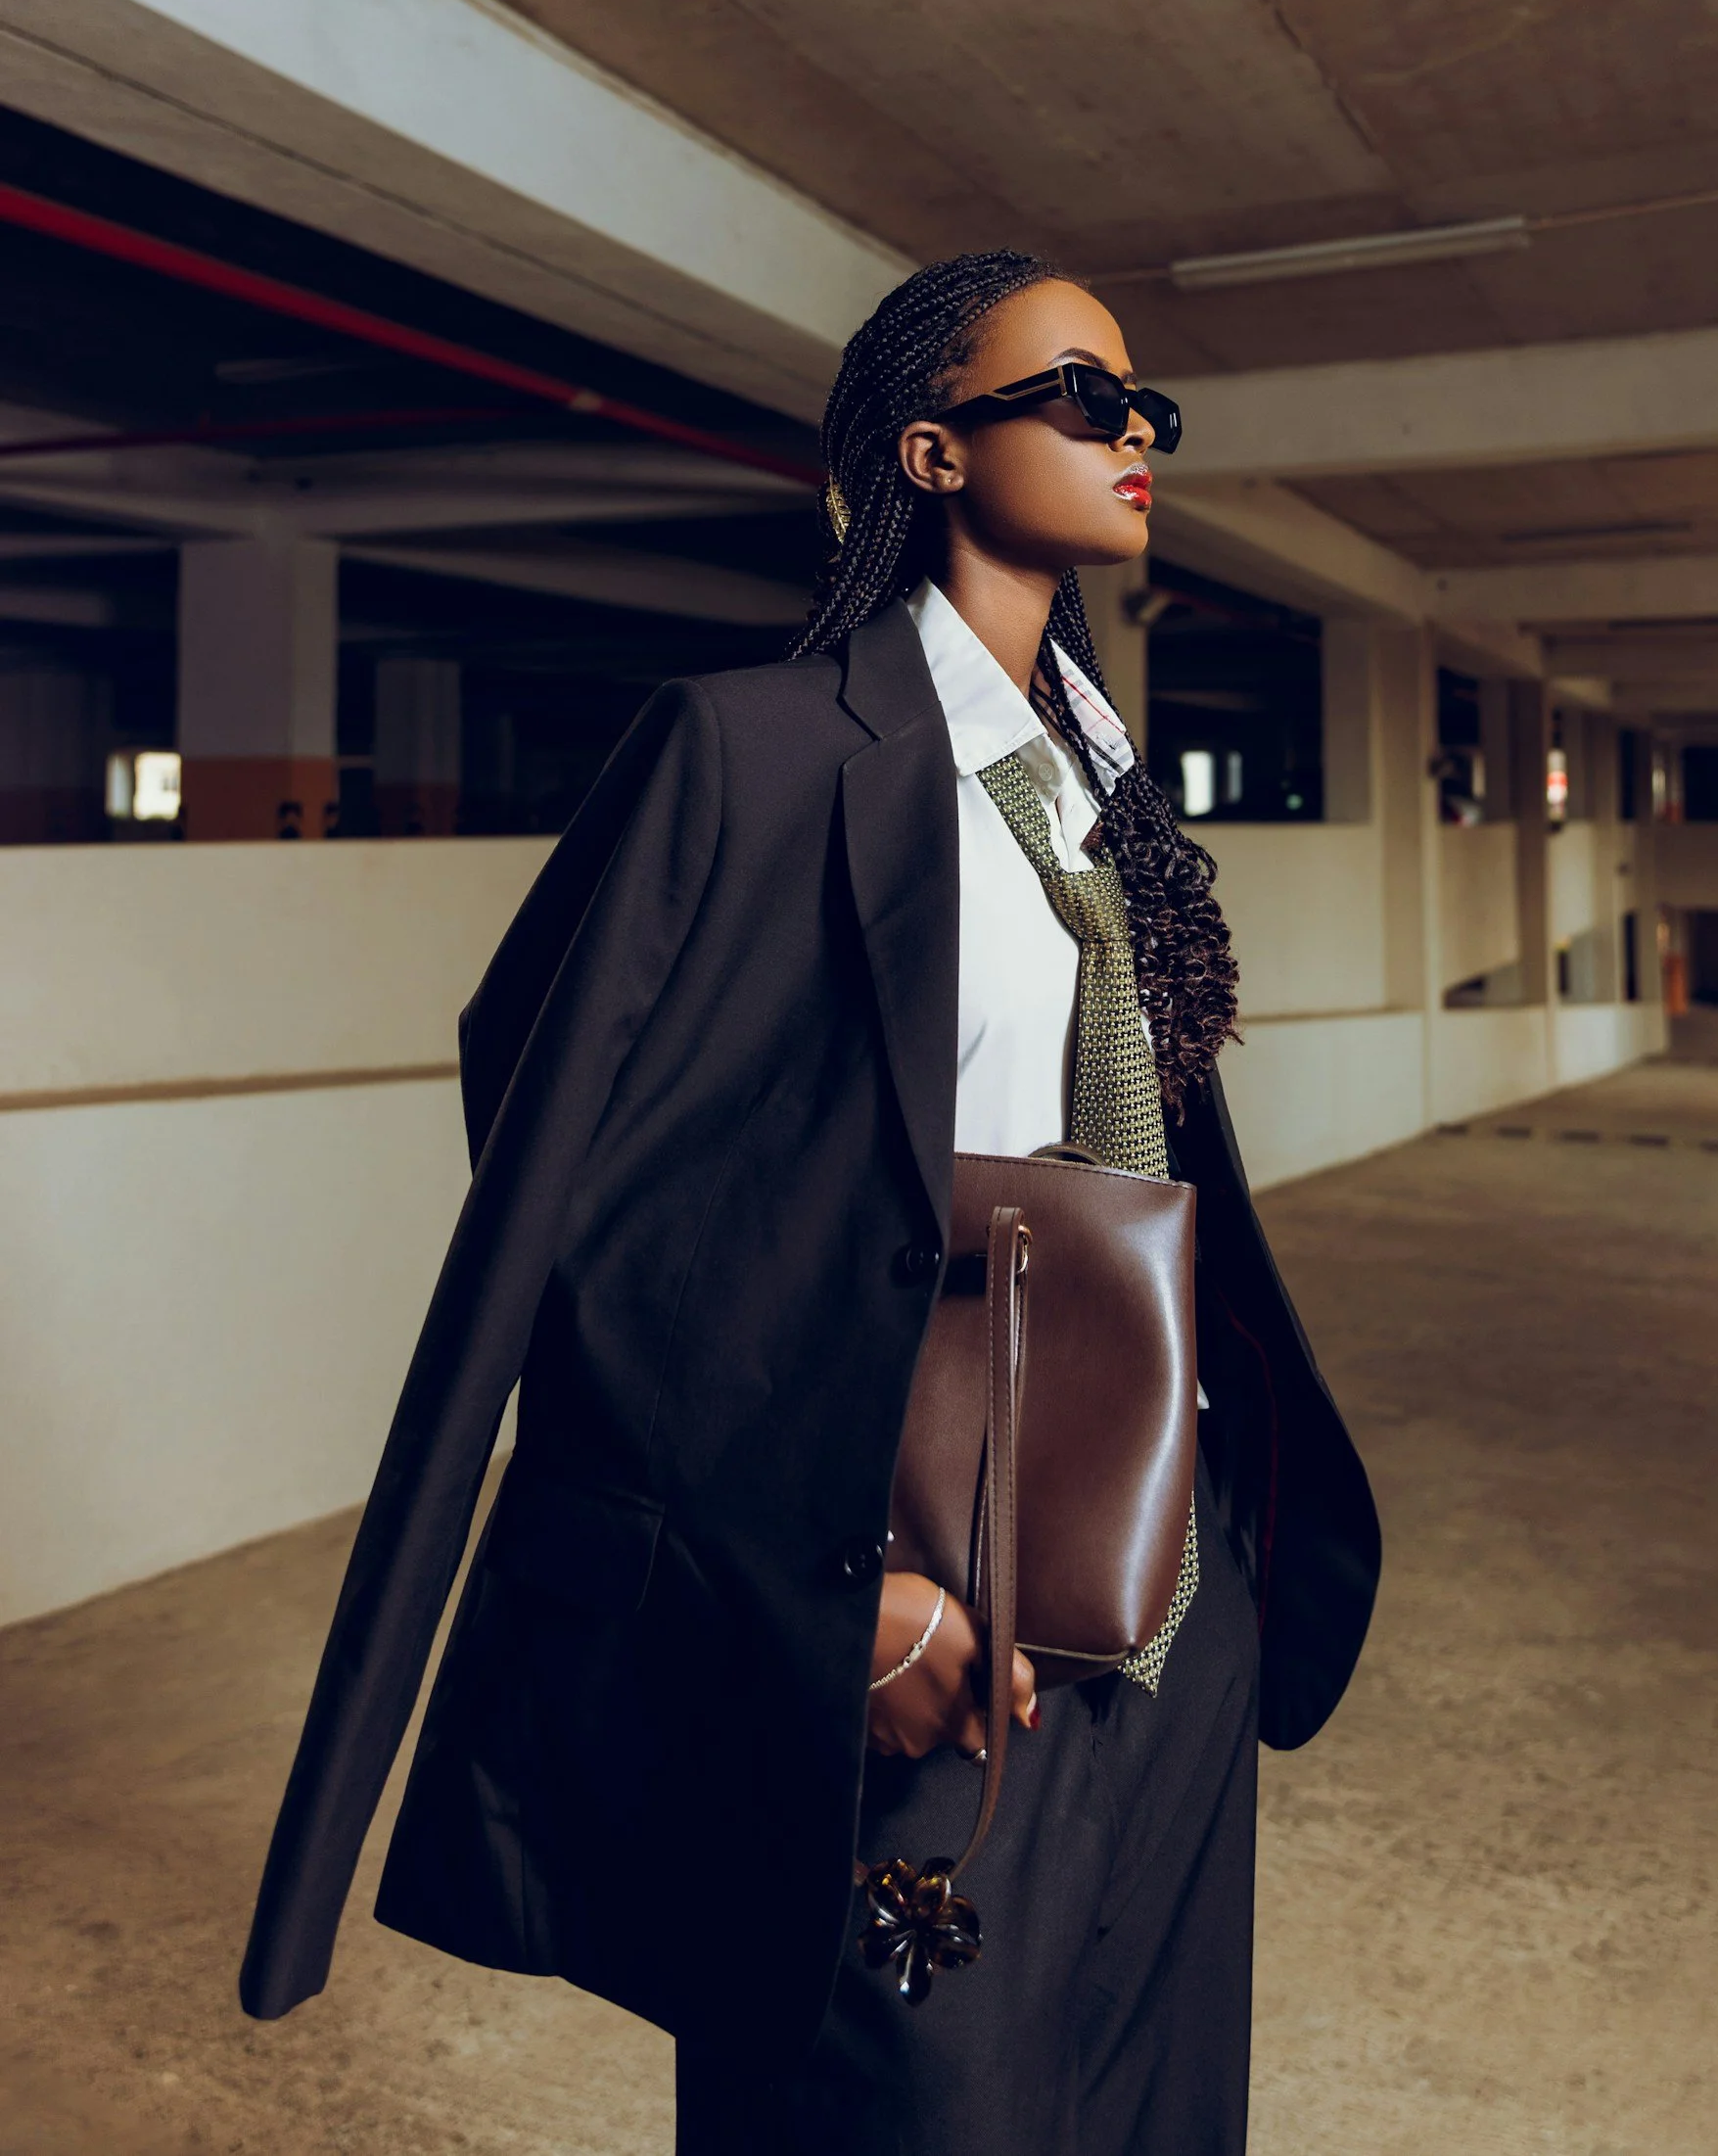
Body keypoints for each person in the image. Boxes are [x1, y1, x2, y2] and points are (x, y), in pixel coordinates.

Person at [239, 251, 1380, 2154]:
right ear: (931, 449)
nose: (1136, 436)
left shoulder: (1106, 791)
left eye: (1145, 406)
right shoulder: (756, 753)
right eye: (1084, 397)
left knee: (1153, 2109)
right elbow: (590, 1196)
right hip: (924, 1595)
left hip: (1178, 1592)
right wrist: (833, 1584)